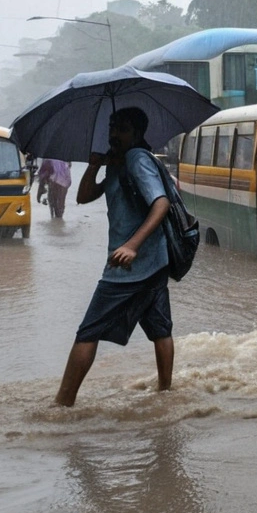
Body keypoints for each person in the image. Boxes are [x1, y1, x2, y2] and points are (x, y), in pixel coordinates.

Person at [55, 108, 173, 407]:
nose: (113, 134)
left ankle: (62, 404)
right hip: (153, 262)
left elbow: (161, 204)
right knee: (159, 327)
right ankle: (166, 395)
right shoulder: (118, 164)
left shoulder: (137, 159)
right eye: (112, 127)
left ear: (137, 134)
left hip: (128, 266)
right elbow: (83, 197)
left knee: (88, 331)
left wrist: (132, 245)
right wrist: (95, 166)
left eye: (121, 129)